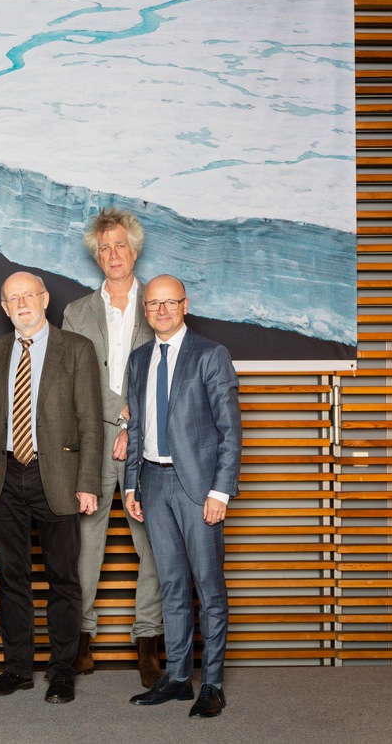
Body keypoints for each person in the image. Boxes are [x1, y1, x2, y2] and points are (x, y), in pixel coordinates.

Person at [0, 272, 103, 704]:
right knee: (12, 579)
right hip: (4, 477)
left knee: (63, 579)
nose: (22, 303)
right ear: (4, 307)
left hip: (61, 479)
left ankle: (61, 670)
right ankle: (17, 669)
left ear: (45, 299)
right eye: (13, 298)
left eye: (29, 295)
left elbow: (90, 422)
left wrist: (88, 482)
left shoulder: (77, 349)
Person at [124, 275, 241, 719]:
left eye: (169, 302)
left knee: (209, 589)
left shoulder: (211, 355)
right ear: (146, 309)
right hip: (152, 484)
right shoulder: (138, 359)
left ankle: (211, 684)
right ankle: (176, 678)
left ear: (185, 305)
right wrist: (132, 483)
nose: (161, 310)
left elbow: (231, 431)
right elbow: (135, 427)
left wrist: (220, 491)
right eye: (153, 304)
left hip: (198, 488)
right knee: (171, 585)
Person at [62, 208, 163, 686]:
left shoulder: (159, 302)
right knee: (86, 544)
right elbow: (75, 379)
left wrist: (136, 425)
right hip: (93, 441)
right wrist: (122, 415)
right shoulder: (76, 312)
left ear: (135, 249)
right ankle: (81, 640)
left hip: (153, 441)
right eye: (103, 248)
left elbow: (171, 372)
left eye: (120, 245)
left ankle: (148, 641)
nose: (112, 254)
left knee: (155, 545)